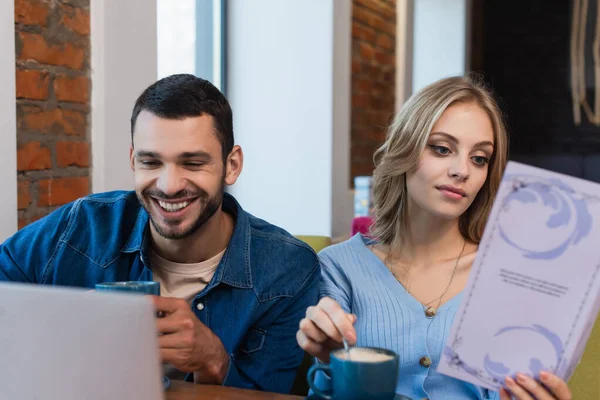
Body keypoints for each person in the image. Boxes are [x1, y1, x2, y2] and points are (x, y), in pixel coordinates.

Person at [0, 74, 320, 394]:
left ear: (232, 164)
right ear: (133, 161)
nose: (168, 186)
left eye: (193, 163)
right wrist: (65, 320)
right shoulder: (81, 226)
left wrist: (213, 359)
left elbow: (270, 393)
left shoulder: (286, 269)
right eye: (151, 162)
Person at [296, 75, 573, 400]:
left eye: (479, 158)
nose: (462, 171)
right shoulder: (339, 267)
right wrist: (326, 355)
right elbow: (326, 389)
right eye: (442, 149)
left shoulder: (509, 275)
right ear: (405, 149)